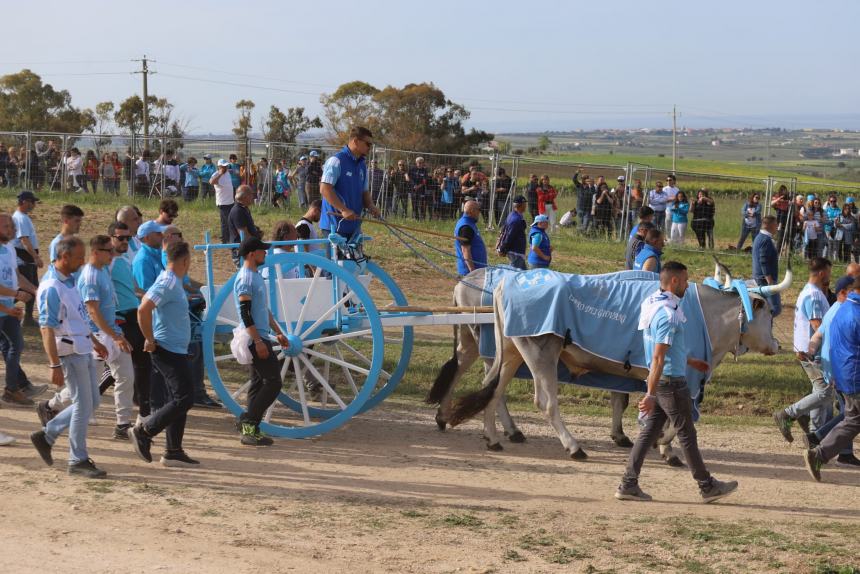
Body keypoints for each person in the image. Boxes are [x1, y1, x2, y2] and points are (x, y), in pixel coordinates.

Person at [615, 261, 737, 503]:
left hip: (664, 379)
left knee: (649, 432)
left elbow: (662, 350)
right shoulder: (668, 315)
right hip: (670, 383)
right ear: (674, 282)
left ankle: (628, 484)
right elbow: (659, 356)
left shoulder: (653, 304)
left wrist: (690, 361)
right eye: (685, 280)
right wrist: (649, 395)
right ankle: (707, 486)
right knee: (687, 434)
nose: (688, 284)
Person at [30, 237, 109, 479]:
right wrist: (53, 363)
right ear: (64, 257)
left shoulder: (70, 281)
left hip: (83, 349)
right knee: (83, 405)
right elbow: (46, 327)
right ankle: (77, 459)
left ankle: (48, 434)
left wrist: (95, 342)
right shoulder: (52, 287)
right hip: (69, 353)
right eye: (77, 257)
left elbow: (80, 317)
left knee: (91, 403)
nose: (82, 261)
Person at [130, 241, 199, 468]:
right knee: (184, 398)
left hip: (174, 348)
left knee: (178, 399)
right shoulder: (168, 281)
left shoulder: (172, 281)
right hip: (167, 349)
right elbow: (144, 308)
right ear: (185, 260)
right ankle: (145, 431)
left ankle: (173, 450)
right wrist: (149, 339)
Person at [233, 236, 291, 446]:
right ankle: (248, 421)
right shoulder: (246, 279)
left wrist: (277, 332)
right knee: (274, 382)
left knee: (258, 384)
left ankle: (251, 430)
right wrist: (257, 341)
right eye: (262, 250)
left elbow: (263, 310)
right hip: (253, 337)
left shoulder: (255, 276)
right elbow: (245, 313)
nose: (265, 253)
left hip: (261, 335)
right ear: (251, 254)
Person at [77, 235, 136, 439]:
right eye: (108, 251)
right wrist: (114, 336)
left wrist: (116, 334)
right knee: (88, 384)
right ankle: (52, 406)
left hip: (111, 333)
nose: (113, 254)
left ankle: (122, 424)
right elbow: (92, 311)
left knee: (126, 376)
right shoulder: (90, 276)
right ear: (95, 252)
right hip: (96, 336)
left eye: (112, 250)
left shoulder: (103, 271)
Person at [803, 275, 860, 481]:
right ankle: (819, 453)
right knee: (854, 420)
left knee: (853, 419)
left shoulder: (841, 309)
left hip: (844, 374)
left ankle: (819, 452)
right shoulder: (857, 314)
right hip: (855, 376)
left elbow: (832, 345)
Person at [774, 257, 832, 442]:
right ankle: (789, 414)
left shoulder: (808, 292)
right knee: (825, 392)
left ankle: (814, 434)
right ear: (822, 273)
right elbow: (817, 325)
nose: (830, 276)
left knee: (821, 392)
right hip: (811, 352)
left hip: (807, 350)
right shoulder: (814, 295)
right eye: (829, 272)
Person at [0, 213, 42, 406]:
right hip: (5, 307)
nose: (12, 230)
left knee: (13, 346)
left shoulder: (9, 248)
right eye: (7, 226)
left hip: (7, 307)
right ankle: (12, 389)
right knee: (14, 345)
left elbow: (16, 276)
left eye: (13, 227)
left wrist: (36, 290)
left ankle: (13, 388)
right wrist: (16, 295)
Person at [319, 126, 380, 238]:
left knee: (355, 256)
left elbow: (364, 191)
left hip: (354, 227)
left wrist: (371, 206)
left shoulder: (362, 165)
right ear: (356, 141)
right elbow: (325, 189)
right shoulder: (336, 161)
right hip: (334, 227)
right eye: (368, 144)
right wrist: (344, 210)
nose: (370, 147)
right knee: (337, 257)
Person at [13, 190, 43, 326]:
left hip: (27, 259)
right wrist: (36, 257)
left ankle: (29, 318)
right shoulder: (20, 218)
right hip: (24, 259)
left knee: (33, 288)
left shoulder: (23, 217)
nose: (34, 205)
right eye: (32, 202)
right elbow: (24, 240)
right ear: (24, 202)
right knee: (26, 290)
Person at [752, 215, 782, 316]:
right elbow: (763, 260)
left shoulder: (759, 237)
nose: (777, 226)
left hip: (760, 278)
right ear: (769, 225)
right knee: (775, 308)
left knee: (766, 307)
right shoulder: (766, 240)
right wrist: (769, 279)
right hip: (765, 280)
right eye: (775, 224)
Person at [454, 200, 487, 275]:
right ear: (472, 211)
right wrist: (472, 271)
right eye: (479, 210)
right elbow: (465, 250)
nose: (479, 213)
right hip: (471, 272)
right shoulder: (466, 227)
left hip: (476, 269)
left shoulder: (469, 223)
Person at [132, 220, 166, 292]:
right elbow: (148, 293)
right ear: (147, 238)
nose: (163, 235)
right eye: (158, 233)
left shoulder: (160, 252)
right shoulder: (142, 261)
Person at [497, 195, 528, 270]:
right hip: (515, 250)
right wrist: (503, 249)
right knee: (516, 273)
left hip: (517, 250)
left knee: (522, 272)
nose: (526, 206)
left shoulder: (514, 215)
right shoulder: (515, 219)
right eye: (525, 204)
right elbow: (509, 236)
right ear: (521, 205)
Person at [210, 159, 234, 244]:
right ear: (219, 167)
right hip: (223, 202)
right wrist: (220, 174)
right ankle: (224, 239)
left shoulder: (228, 173)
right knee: (225, 222)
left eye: (226, 166)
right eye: (223, 166)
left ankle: (228, 238)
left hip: (230, 201)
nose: (225, 168)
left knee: (230, 220)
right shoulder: (216, 174)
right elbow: (211, 182)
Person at [407, 157, 430, 221]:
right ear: (416, 163)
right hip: (413, 190)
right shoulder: (412, 169)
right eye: (419, 162)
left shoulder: (425, 170)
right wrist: (414, 185)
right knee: (414, 204)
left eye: (422, 163)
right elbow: (409, 178)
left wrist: (419, 186)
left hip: (421, 190)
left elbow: (425, 180)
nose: (420, 164)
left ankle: (422, 218)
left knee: (421, 205)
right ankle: (415, 218)